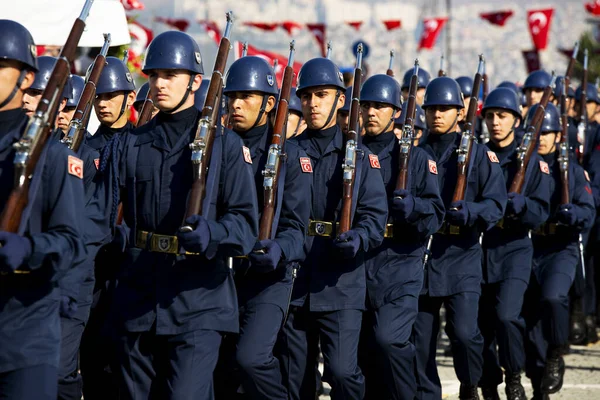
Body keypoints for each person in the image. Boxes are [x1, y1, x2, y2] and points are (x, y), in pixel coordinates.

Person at [107, 30, 258, 399]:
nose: (159, 84)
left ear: (195, 81)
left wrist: (214, 234)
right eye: (154, 75)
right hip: (138, 295)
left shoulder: (226, 147)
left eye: (171, 75)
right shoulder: (130, 144)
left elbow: (245, 224)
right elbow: (98, 215)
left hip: (198, 299)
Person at [279, 57, 388, 400]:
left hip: (341, 282)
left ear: (341, 100)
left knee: (342, 373)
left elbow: (373, 217)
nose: (313, 104)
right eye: (307, 96)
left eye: (322, 95)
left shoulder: (361, 158)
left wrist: (358, 237)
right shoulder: (287, 152)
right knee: (296, 378)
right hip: (296, 280)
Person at [0, 19, 86, 399]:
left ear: (26, 77)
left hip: (24, 335)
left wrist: (29, 249)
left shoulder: (51, 156)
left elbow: (71, 241)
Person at [221, 55, 311, 399]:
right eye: (232, 97)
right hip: (225, 274)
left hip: (270, 279)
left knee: (252, 359)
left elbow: (296, 228)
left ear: (270, 103)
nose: (237, 105)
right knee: (222, 368)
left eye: (247, 97)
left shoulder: (289, 156)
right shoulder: (221, 150)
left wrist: (279, 248)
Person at [413, 76, 507, 400]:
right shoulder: (414, 154)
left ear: (459, 112)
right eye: (432, 109)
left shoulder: (479, 155)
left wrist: (471, 212)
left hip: (462, 254)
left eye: (445, 109)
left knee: (466, 335)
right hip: (423, 256)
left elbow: (496, 205)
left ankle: (471, 382)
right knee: (420, 342)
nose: (437, 114)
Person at [357, 74, 444, 400]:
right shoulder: (353, 154)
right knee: (365, 354)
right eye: (366, 105)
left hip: (401, 262)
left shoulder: (418, 159)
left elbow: (435, 214)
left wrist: (414, 208)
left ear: (395, 111)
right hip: (360, 261)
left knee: (389, 340)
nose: (371, 112)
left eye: (380, 106)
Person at [478, 88, 551, 400]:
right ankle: (486, 382)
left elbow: (541, 211)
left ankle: (515, 376)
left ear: (516, 120)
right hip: (482, 248)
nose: (495, 122)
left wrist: (524, 206)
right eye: (491, 116)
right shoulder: (478, 156)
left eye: (502, 116)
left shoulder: (532, 162)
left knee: (508, 316)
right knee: (476, 329)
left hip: (515, 248)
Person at [524, 102, 595, 399]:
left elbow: (587, 210)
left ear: (558, 136)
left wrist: (574, 214)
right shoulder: (522, 168)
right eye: (537, 132)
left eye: (548, 132)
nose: (542, 138)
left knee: (554, 298)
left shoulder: (573, 171)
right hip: (528, 247)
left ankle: (557, 350)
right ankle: (538, 377)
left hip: (561, 246)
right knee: (528, 322)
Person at [88, 56, 136, 152]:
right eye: (97, 97)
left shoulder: (143, 143)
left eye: (110, 96)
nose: (101, 104)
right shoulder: (85, 149)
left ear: (130, 98)